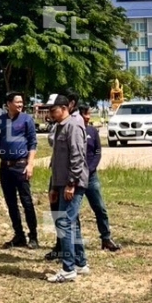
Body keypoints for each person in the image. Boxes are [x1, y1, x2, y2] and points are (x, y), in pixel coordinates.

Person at [0, 92, 40, 250]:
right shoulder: (0, 120)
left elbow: (32, 143)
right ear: (8, 103)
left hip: (21, 165)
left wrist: (30, 164)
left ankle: (33, 236)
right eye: (17, 102)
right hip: (5, 167)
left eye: (21, 102)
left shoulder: (27, 119)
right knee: (11, 203)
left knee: (27, 202)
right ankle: (19, 235)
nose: (20, 105)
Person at [46, 96, 90, 282]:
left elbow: (77, 157)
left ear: (64, 108)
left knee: (64, 222)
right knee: (73, 224)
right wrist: (55, 186)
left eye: (52, 109)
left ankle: (68, 269)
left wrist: (71, 183)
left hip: (74, 183)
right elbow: (57, 160)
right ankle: (80, 263)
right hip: (61, 183)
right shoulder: (59, 127)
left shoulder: (73, 126)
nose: (49, 113)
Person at [79, 104, 122, 252]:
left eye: (89, 114)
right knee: (73, 212)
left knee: (100, 208)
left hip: (91, 177)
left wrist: (90, 168)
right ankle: (74, 243)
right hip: (76, 177)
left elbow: (97, 152)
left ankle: (106, 238)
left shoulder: (92, 131)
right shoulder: (73, 130)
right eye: (85, 114)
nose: (88, 117)